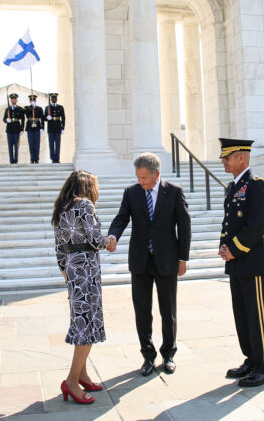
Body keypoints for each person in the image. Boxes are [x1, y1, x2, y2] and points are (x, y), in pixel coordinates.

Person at [107, 152, 191, 376]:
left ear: (157, 174)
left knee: (168, 311)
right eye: (138, 177)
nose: (141, 182)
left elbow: (184, 227)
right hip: (140, 261)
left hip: (167, 260)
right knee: (142, 311)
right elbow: (121, 217)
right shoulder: (131, 193)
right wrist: (113, 236)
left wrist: (183, 258)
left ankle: (169, 354)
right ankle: (147, 355)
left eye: (144, 177)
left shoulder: (173, 192)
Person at [52, 170, 116, 404]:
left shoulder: (62, 207)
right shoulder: (85, 205)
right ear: (88, 187)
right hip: (86, 269)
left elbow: (58, 246)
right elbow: (94, 238)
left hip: (71, 269)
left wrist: (65, 270)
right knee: (85, 324)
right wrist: (110, 242)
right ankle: (70, 381)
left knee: (82, 319)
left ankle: (82, 374)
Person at [218, 138, 264, 387]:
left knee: (257, 315)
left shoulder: (256, 185)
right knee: (242, 314)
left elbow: (257, 225)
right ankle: (251, 360)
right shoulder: (233, 186)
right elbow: (228, 223)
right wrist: (223, 247)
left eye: (227, 157)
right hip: (237, 262)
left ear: (241, 157)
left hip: (251, 261)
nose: (223, 161)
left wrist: (234, 249)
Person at [3, 93, 25, 164]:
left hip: (16, 129)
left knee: (16, 145)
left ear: (16, 100)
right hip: (9, 129)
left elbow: (22, 120)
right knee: (10, 145)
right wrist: (7, 120)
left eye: (15, 99)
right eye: (12, 99)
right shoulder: (7, 109)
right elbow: (4, 119)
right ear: (10, 100)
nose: (14, 100)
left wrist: (22, 129)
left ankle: (16, 159)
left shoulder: (20, 109)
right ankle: (11, 160)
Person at [45, 93, 65, 163]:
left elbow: (63, 118)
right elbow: (44, 118)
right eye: (52, 98)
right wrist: (47, 118)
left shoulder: (60, 107)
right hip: (50, 127)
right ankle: (52, 157)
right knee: (51, 143)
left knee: (57, 143)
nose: (54, 99)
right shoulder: (47, 107)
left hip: (57, 127)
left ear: (56, 99)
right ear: (51, 99)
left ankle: (57, 157)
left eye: (55, 98)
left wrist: (63, 128)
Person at [24, 94, 44, 163]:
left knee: (37, 144)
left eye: (33, 100)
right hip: (30, 127)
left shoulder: (39, 108)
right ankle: (32, 158)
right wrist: (31, 107)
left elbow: (42, 118)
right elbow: (26, 114)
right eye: (31, 100)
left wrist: (42, 127)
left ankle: (37, 158)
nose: (32, 101)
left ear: (35, 100)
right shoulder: (27, 108)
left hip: (37, 127)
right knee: (31, 144)